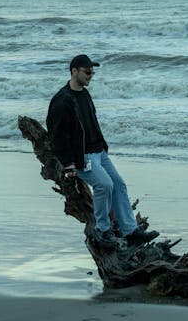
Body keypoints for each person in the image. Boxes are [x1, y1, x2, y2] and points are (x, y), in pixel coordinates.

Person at [46, 53, 159, 249]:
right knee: (104, 185)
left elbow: (92, 123)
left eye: (92, 72)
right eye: (87, 71)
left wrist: (103, 146)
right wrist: (69, 163)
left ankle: (130, 231)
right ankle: (103, 230)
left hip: (99, 152)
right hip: (82, 157)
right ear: (74, 71)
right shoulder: (62, 100)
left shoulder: (84, 94)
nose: (91, 75)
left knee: (119, 185)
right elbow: (56, 136)